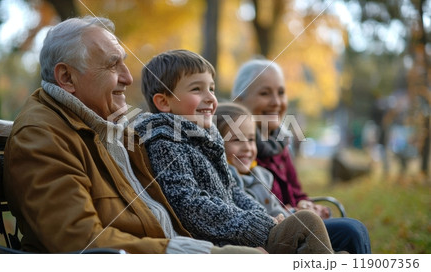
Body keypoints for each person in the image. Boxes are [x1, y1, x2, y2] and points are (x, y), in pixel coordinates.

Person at [3, 16, 262, 254]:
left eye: (124, 63)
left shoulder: (107, 126)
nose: (128, 77)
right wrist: (204, 254)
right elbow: (81, 241)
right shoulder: (42, 136)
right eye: (112, 66)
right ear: (67, 77)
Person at [134, 49, 335, 254]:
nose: (211, 98)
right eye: (197, 89)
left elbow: (232, 190)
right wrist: (255, 226)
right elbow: (190, 205)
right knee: (306, 222)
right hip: (219, 245)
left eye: (211, 89)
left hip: (240, 234)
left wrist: (262, 218)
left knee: (335, 247)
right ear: (163, 102)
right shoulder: (165, 143)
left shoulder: (204, 138)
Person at [231, 58, 372, 254]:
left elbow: (297, 195)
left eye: (281, 93)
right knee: (351, 231)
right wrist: (294, 212)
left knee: (352, 232)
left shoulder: (280, 146)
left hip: (298, 227)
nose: (276, 102)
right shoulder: (235, 151)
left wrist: (307, 205)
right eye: (265, 93)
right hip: (268, 237)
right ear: (240, 101)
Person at [216, 102, 289, 218]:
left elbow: (276, 210)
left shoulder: (262, 175)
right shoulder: (224, 181)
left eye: (251, 139)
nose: (247, 148)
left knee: (310, 218)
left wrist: (295, 214)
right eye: (237, 140)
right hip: (266, 233)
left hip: (285, 229)